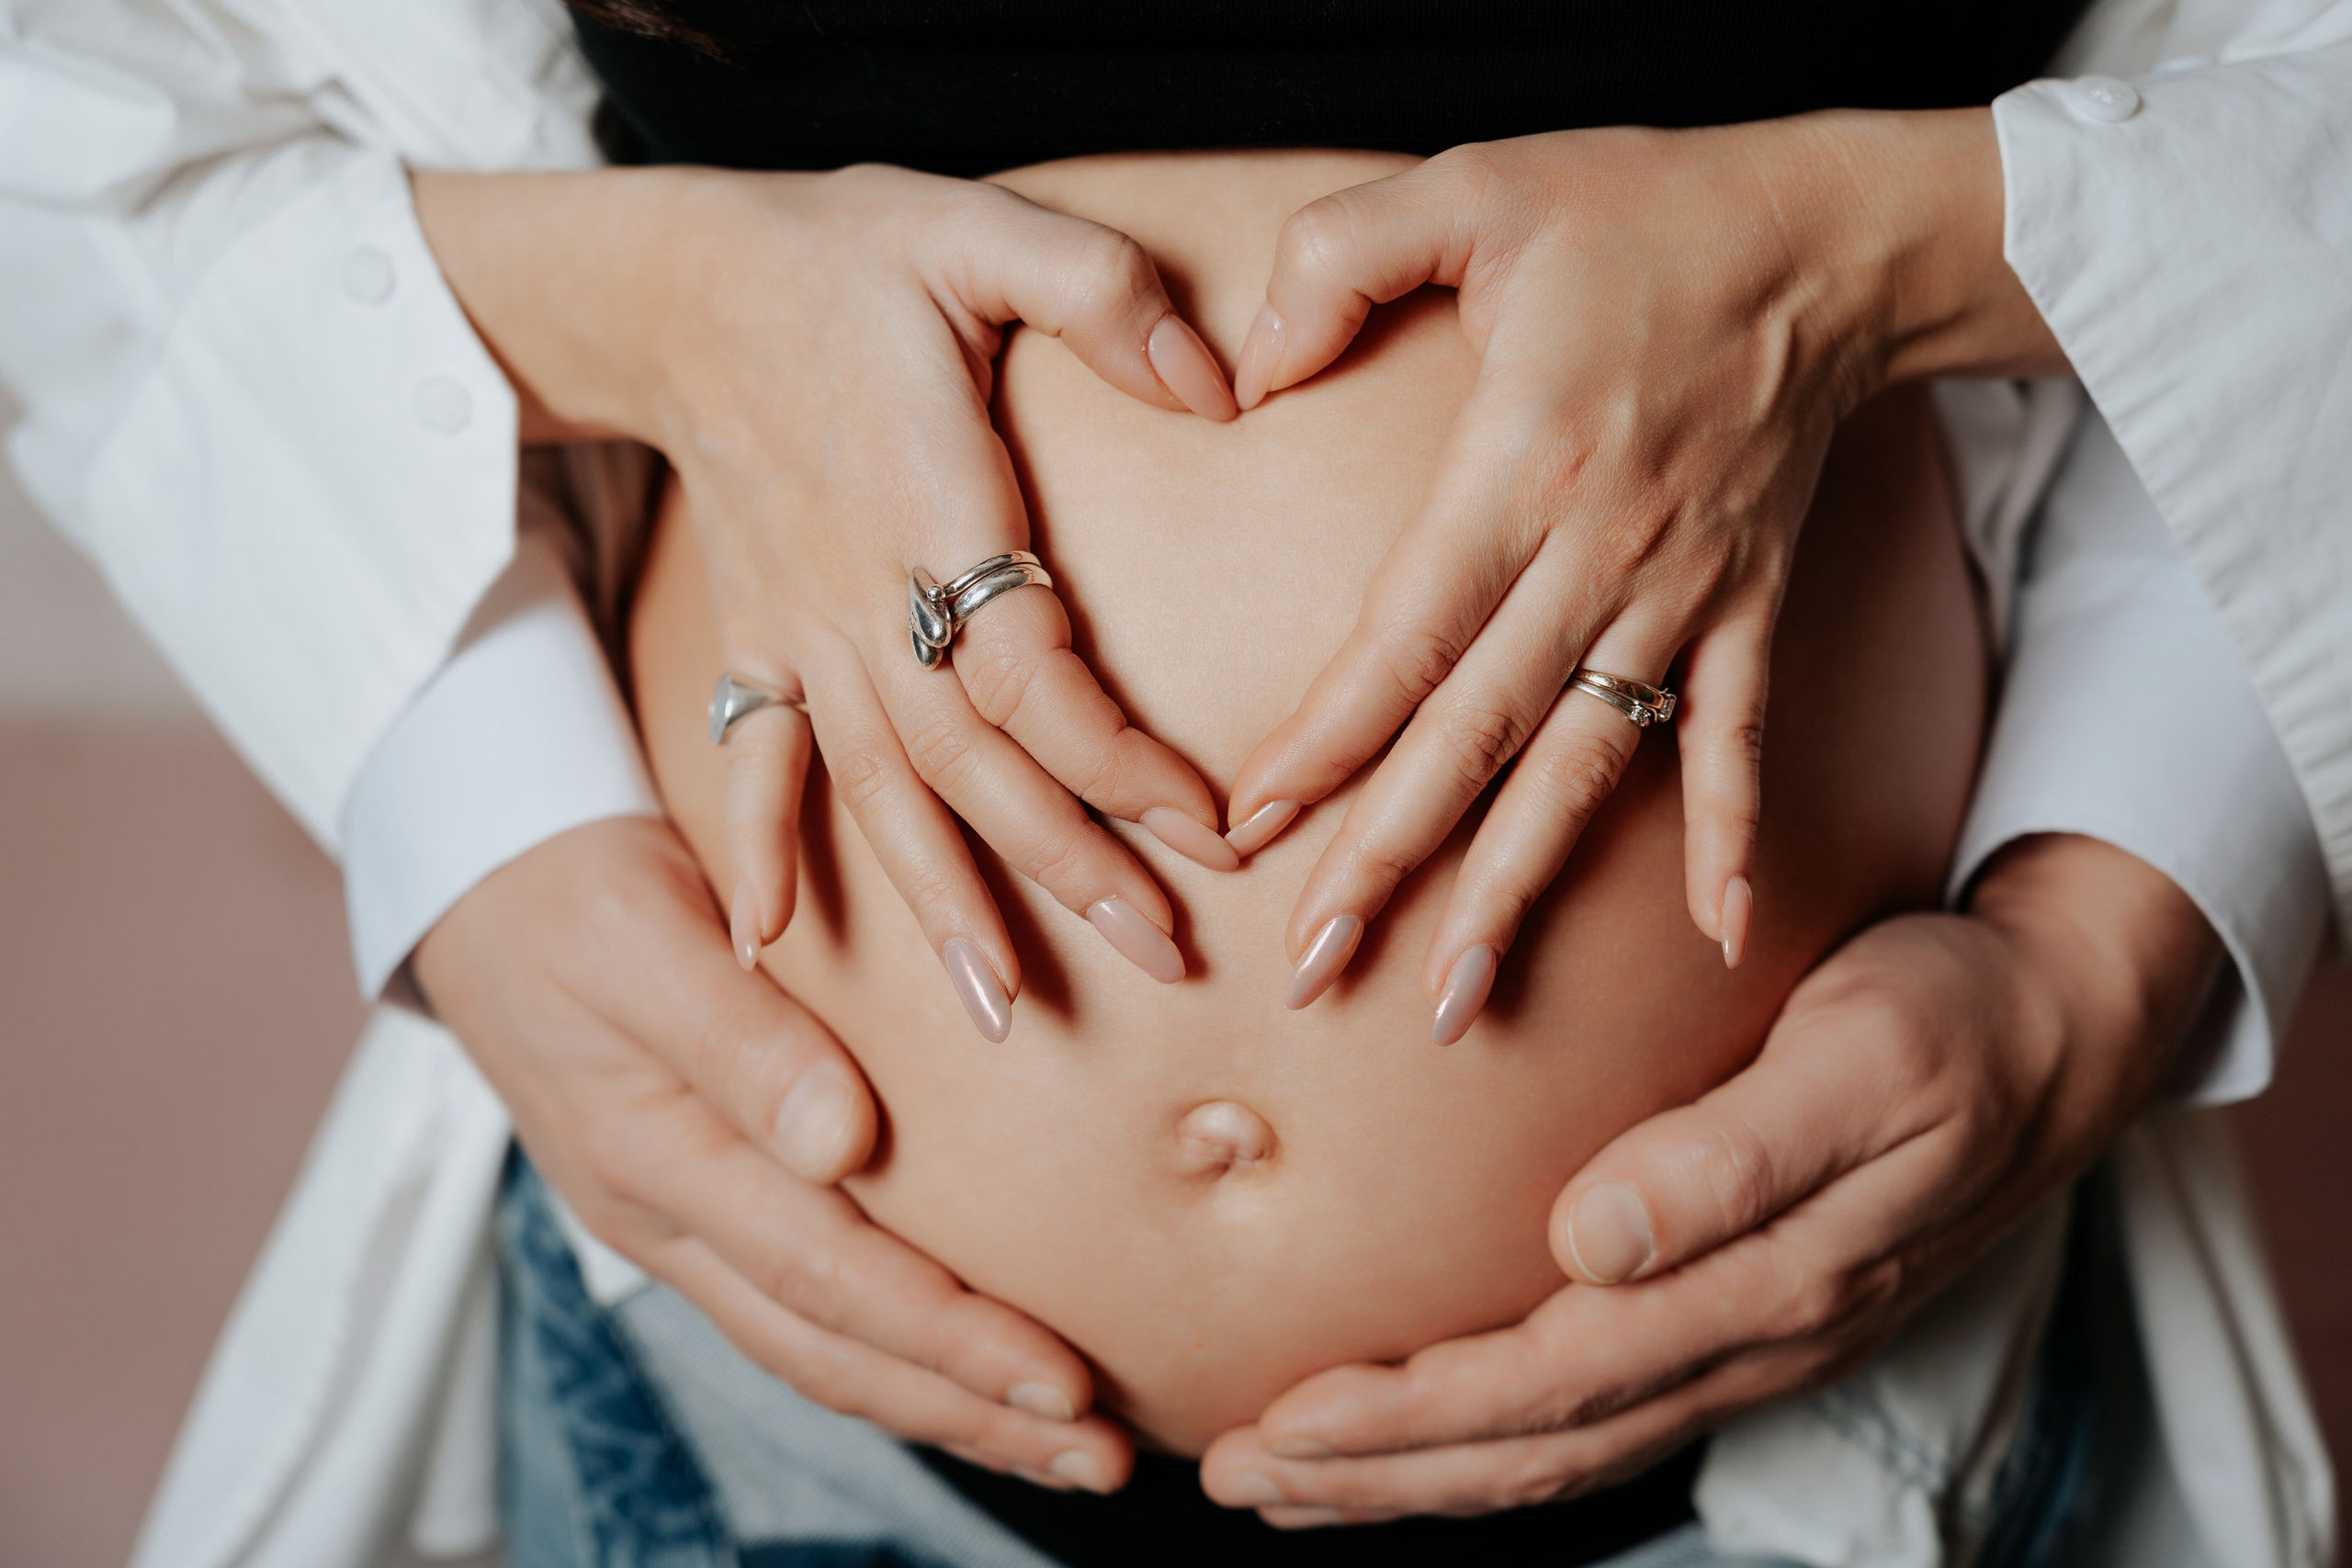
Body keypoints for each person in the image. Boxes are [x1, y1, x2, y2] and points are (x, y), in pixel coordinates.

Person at [0, 0, 2339, 1563]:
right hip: (763, 1422)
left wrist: (2106, 933)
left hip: (1828, 1441)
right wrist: (488, 802)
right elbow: (75, 107)